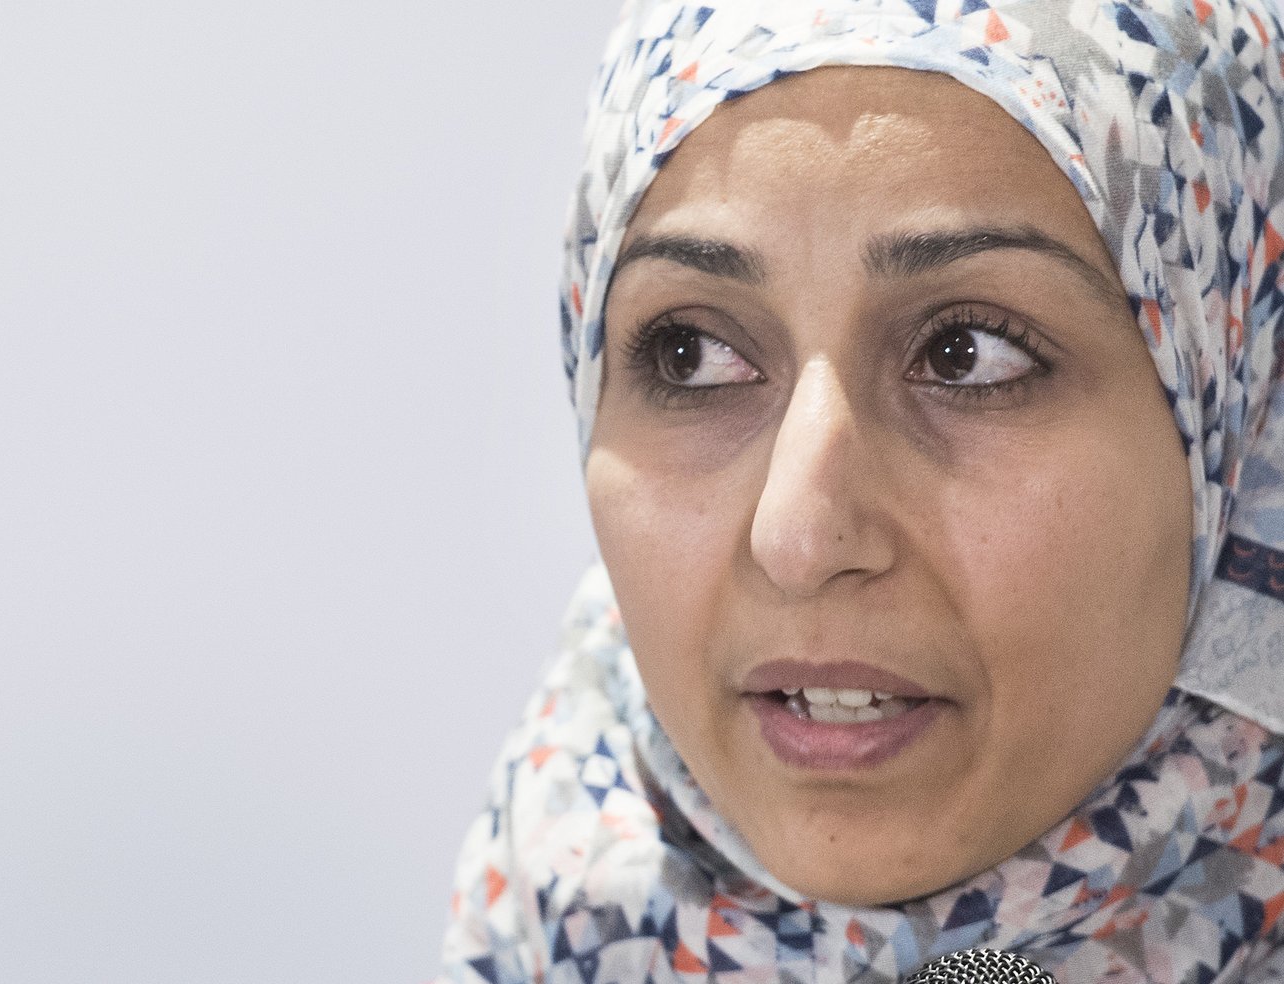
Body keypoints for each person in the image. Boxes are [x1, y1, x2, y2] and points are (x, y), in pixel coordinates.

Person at [437, 0, 1284, 980]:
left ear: (1238, 423)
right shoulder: (551, 927)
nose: (799, 535)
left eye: (967, 354)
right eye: (691, 353)